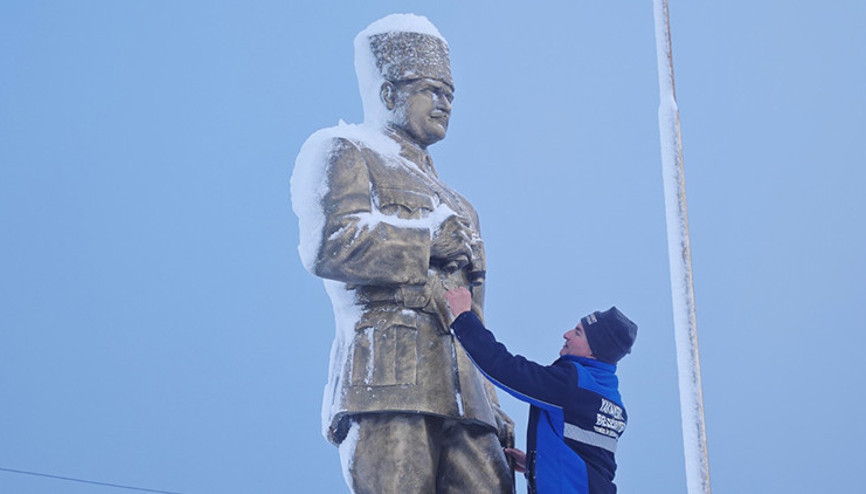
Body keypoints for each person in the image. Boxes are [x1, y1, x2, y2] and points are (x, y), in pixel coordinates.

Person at [291, 14, 514, 494]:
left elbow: (475, 315)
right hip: (387, 377)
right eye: (430, 89)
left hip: (467, 398)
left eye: (450, 94)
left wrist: (492, 400)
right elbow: (330, 243)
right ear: (389, 94)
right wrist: (427, 241)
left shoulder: (463, 205)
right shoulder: (344, 150)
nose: (444, 103)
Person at [444, 286, 638, 494]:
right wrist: (536, 464)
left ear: (594, 351)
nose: (567, 334)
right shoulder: (612, 400)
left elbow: (504, 368)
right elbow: (590, 458)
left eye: (578, 333)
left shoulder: (573, 385)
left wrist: (464, 316)